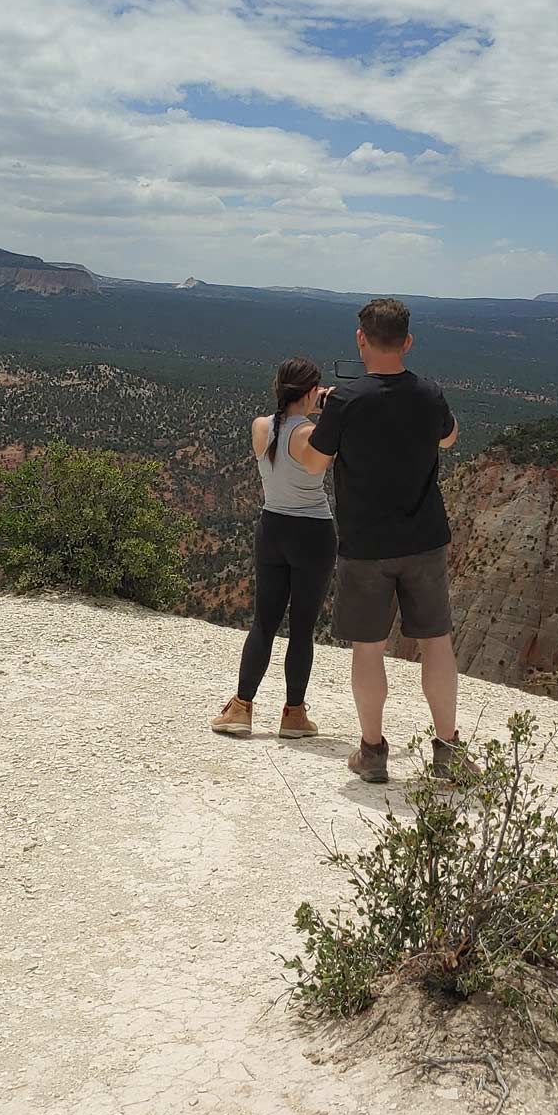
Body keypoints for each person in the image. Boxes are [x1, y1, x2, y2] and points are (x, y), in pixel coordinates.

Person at [292, 297, 464, 784]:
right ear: (407, 342)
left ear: (361, 339)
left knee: (368, 650)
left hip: (366, 545)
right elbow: (449, 439)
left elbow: (313, 463)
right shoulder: (430, 394)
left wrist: (313, 418)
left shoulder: (347, 401)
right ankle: (448, 751)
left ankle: (372, 753)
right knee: (437, 644)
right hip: (425, 539)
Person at [210, 357, 337, 740]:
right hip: (313, 533)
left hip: (272, 528)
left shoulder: (261, 427)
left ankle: (240, 707)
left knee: (263, 622)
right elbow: (317, 465)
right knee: (302, 628)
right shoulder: (312, 434)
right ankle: (294, 714)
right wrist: (331, 416)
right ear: (312, 391)